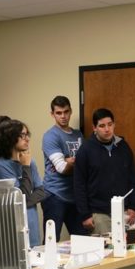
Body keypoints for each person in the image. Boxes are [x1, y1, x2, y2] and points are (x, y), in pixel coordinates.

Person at [73, 108, 135, 235]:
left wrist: (132, 206)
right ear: (94, 128)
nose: (107, 129)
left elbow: (132, 179)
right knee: (106, 252)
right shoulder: (85, 150)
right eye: (102, 126)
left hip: (123, 212)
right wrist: (85, 215)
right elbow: (79, 185)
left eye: (110, 124)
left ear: (114, 124)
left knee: (127, 251)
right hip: (99, 214)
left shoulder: (124, 147)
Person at [0, 119, 45, 247]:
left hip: (32, 223)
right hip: (15, 227)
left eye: (27, 134)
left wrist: (25, 201)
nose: (27, 139)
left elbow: (42, 191)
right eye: (22, 135)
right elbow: (19, 198)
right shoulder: (0, 166)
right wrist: (25, 167)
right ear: (9, 138)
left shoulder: (29, 161)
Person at [41, 96, 86, 239]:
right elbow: (62, 168)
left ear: (71, 111)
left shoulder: (78, 134)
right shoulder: (51, 136)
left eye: (66, 112)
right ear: (52, 114)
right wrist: (75, 162)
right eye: (58, 113)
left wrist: (71, 160)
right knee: (51, 240)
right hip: (54, 195)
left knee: (83, 239)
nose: (63, 116)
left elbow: (88, 165)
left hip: (75, 195)